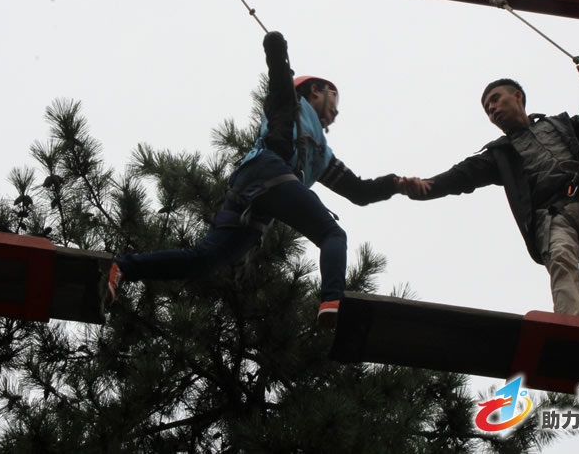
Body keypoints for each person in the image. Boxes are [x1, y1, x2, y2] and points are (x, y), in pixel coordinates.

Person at [102, 30, 427, 328]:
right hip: (268, 172)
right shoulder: (289, 104)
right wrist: (277, 47)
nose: (336, 112)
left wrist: (396, 184)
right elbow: (279, 77)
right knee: (332, 235)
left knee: (205, 259)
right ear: (315, 90)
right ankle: (332, 300)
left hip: (253, 194)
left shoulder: (321, 156)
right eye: (333, 99)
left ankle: (122, 268)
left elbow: (358, 191)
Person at [408, 60, 579, 328]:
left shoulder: (561, 125)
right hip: (552, 218)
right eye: (487, 109)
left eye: (495, 100)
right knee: (561, 264)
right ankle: (572, 332)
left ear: (517, 97)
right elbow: (460, 176)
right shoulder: (499, 154)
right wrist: (424, 186)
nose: (491, 109)